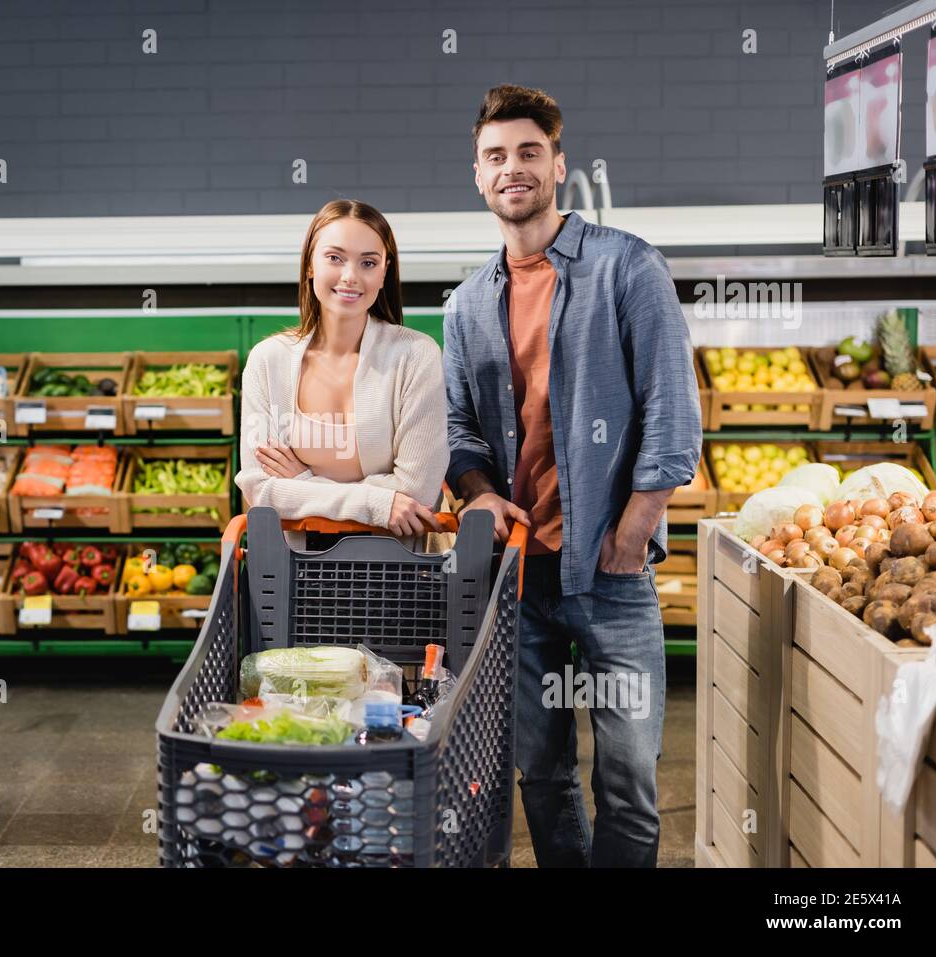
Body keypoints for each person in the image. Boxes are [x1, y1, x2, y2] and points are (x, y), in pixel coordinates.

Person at [443, 85, 703, 867]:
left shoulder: (626, 267)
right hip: (519, 578)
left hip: (611, 572)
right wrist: (482, 496)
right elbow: (458, 430)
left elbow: (672, 405)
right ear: (478, 175)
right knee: (541, 772)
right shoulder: (466, 305)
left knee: (626, 774)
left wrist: (634, 527)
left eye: (529, 152)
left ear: (559, 163)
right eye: (496, 156)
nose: (512, 168)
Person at [235, 199, 448, 540]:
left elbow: (417, 492)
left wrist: (302, 484)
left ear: (384, 272)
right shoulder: (267, 361)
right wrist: (376, 501)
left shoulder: (416, 355)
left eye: (368, 262)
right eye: (335, 258)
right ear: (310, 265)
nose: (350, 276)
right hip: (292, 573)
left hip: (397, 577)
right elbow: (259, 488)